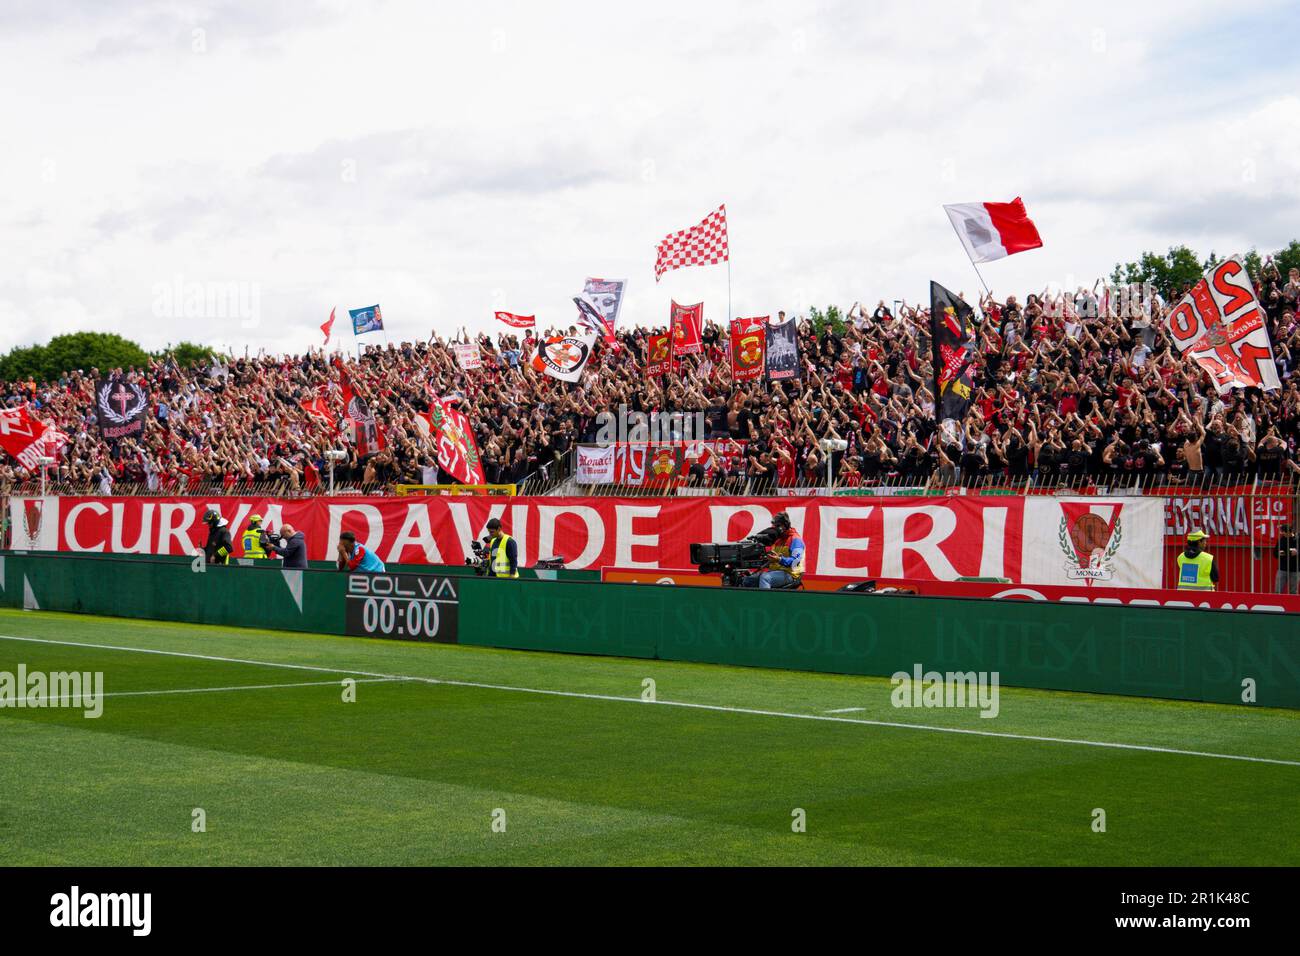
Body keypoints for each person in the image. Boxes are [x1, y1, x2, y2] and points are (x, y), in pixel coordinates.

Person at [741, 511, 805, 590]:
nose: (776, 528)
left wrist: (779, 559)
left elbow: (795, 562)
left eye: (778, 526)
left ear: (786, 525)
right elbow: (773, 559)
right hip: (775, 572)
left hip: (791, 574)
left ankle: (767, 601)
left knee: (765, 577)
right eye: (775, 526)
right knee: (747, 580)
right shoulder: (778, 540)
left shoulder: (795, 540)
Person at [1276, 523, 1299, 595]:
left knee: (1293, 591)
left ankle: (1293, 605)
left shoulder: (1297, 539)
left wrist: (1297, 552)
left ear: (1288, 532)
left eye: (1282, 531)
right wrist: (1279, 553)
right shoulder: (1281, 540)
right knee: (1278, 590)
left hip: (1295, 569)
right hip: (1282, 568)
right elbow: (1275, 553)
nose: (1281, 533)